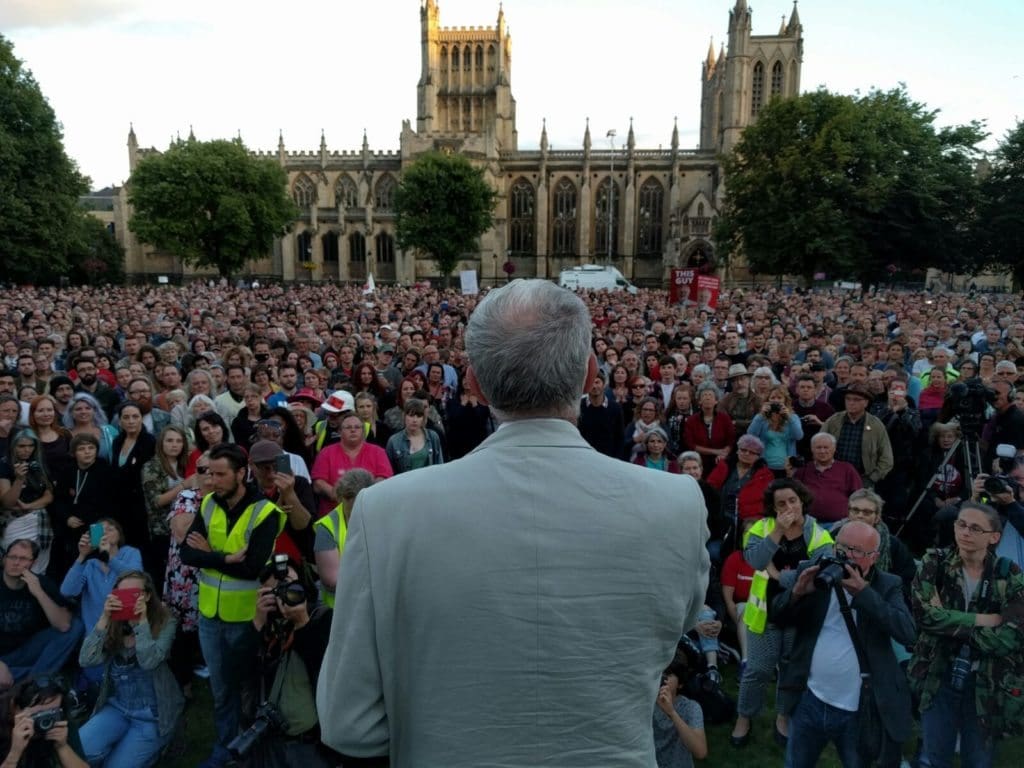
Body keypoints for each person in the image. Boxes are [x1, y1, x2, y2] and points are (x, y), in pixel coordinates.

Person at [317, 279, 710, 767]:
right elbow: (677, 622)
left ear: (475, 384)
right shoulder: (677, 503)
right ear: (592, 374)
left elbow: (349, 723)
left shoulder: (387, 510)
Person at [772, 520, 916, 768]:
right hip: (810, 697)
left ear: (874, 557)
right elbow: (777, 617)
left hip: (859, 707)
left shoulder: (887, 584)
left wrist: (864, 594)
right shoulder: (815, 571)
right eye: (842, 548)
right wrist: (796, 593)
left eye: (857, 552)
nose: (847, 556)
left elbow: (907, 632)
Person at [179, 443, 286, 768]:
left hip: (247, 619)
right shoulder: (209, 503)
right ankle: (226, 750)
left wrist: (208, 556)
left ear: (242, 473)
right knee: (221, 688)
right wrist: (223, 557)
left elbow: (252, 567)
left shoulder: (266, 512)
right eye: (209, 473)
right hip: (210, 615)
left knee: (247, 689)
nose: (211, 480)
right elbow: (187, 554)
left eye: (220, 474)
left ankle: (251, 752)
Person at [908, 502, 1024, 768]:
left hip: (986, 682)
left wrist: (946, 622)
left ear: (993, 537)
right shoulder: (934, 562)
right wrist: (984, 621)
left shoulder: (1010, 574)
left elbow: (1013, 635)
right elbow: (924, 616)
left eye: (974, 528)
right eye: (961, 524)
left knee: (978, 761)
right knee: (933, 759)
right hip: (938, 676)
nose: (965, 533)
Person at [731, 479, 833, 748]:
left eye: (792, 501)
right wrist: (777, 530)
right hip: (764, 613)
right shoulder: (760, 528)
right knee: (758, 669)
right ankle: (745, 716)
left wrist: (777, 573)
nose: (788, 507)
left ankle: (783, 716)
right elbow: (754, 561)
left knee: (790, 669)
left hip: (799, 614)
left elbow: (817, 574)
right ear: (773, 508)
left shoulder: (820, 535)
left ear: (802, 501)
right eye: (781, 504)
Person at [77, 571, 182, 768]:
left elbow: (149, 661)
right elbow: (86, 660)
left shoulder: (166, 621)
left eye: (135, 593)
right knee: (80, 752)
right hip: (118, 707)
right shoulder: (113, 622)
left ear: (148, 596)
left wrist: (140, 622)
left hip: (152, 714)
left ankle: (161, 746)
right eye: (122, 593)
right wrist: (104, 618)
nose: (128, 598)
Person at [242, 556, 336, 768]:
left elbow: (328, 671)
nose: (286, 595)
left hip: (310, 741)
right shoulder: (266, 625)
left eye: (291, 586)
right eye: (277, 591)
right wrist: (256, 623)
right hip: (270, 737)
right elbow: (239, 672)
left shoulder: (323, 619)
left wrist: (302, 622)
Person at [0, 540, 83, 684]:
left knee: (76, 626)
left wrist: (38, 592)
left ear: (33, 563)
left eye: (24, 558)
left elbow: (64, 626)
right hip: (2, 656)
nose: (16, 562)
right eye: (12, 557)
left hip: (28, 650)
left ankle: (32, 683)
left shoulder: (41, 583)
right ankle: (39, 678)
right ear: (5, 559)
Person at [140, 425, 194, 594]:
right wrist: (184, 485)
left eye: (179, 441)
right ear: (161, 443)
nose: (174, 445)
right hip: (162, 531)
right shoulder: (151, 467)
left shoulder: (185, 465)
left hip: (186, 529)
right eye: (170, 440)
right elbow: (156, 501)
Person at [313, 469, 375, 608]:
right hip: (339, 611)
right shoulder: (327, 527)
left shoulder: (382, 518)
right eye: (354, 506)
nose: (358, 511)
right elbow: (332, 581)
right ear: (342, 498)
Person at [311, 412, 392, 517]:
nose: (353, 430)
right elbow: (318, 483)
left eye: (357, 427)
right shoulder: (326, 452)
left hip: (370, 511)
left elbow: (384, 478)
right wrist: (336, 495)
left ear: (363, 431)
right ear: (340, 431)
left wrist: (365, 497)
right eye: (348, 427)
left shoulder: (378, 452)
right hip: (334, 514)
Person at [0, 676, 89, 767]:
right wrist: (15, 752)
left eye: (53, 711)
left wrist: (62, 747)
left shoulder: (59, 721)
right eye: (39, 713)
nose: (45, 719)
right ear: (16, 709)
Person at [0, 430, 55, 575]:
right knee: (15, 562)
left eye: (31, 446)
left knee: (38, 567)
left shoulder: (38, 464)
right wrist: (19, 479)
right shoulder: (4, 465)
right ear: (13, 446)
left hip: (40, 519)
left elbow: (49, 495)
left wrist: (29, 506)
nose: (27, 450)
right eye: (21, 446)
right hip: (15, 520)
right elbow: (7, 502)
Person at [821, 382, 894, 488]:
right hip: (833, 476)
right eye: (848, 399)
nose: (851, 403)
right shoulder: (833, 420)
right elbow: (818, 445)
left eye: (856, 399)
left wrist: (872, 478)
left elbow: (887, 458)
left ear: (866, 403)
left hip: (863, 479)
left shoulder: (876, 425)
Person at [109, 402, 156, 550]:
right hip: (119, 503)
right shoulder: (117, 441)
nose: (131, 421)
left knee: (139, 546)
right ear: (120, 420)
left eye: (135, 417)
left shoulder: (149, 442)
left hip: (140, 505)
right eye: (126, 417)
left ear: (141, 418)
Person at [793, 433, 864, 524]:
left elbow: (859, 496)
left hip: (839, 523)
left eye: (826, 447)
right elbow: (793, 496)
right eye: (818, 447)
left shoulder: (847, 469)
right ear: (812, 449)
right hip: (809, 523)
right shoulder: (803, 470)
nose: (822, 451)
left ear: (834, 449)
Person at [653, 653, 708, 768]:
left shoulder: (691, 708)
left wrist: (672, 713)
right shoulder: (645, 704)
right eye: (660, 672)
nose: (662, 678)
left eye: (668, 674)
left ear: (680, 683)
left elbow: (700, 751)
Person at [747, 385, 803, 475]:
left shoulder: (793, 417)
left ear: (785, 400)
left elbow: (799, 436)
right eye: (772, 397)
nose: (776, 400)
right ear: (767, 400)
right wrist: (761, 415)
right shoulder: (761, 417)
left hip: (786, 467)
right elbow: (750, 436)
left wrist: (789, 418)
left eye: (779, 398)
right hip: (765, 466)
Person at [385, 399, 444, 475]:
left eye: (419, 416)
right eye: (411, 415)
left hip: (429, 484)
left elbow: (439, 465)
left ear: (423, 418)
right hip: (404, 485)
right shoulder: (394, 441)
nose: (415, 420)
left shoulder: (433, 436)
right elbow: (389, 472)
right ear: (404, 416)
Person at [578, 370, 625, 458]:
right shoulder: (579, 407)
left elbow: (620, 437)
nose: (594, 386)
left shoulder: (615, 408)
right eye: (591, 383)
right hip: (585, 457)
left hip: (609, 458)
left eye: (597, 382)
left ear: (604, 385)